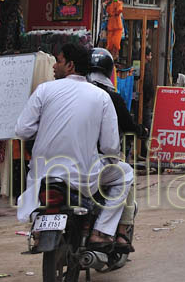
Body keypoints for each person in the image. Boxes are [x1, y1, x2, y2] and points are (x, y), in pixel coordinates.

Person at [14, 44, 130, 250]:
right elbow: (110, 146)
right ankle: (101, 232)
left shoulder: (44, 90)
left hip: (43, 174)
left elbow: (22, 131)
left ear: (70, 65)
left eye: (58, 61)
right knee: (125, 173)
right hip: (83, 177)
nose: (53, 66)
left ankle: (39, 229)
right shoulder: (101, 97)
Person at [87, 48, 140, 248]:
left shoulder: (58, 92)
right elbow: (111, 145)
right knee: (125, 174)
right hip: (94, 164)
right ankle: (118, 231)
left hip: (52, 164)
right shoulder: (110, 98)